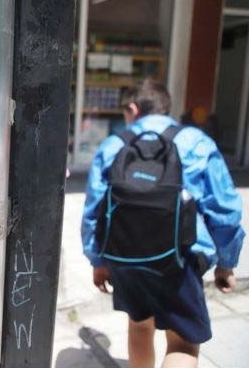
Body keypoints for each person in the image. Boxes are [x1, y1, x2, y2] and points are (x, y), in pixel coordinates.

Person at [81, 80, 245, 368]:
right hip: (180, 259)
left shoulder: (114, 144)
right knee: (183, 342)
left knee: (139, 327)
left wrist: (98, 261)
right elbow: (225, 209)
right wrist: (226, 262)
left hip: (125, 257)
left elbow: (93, 211)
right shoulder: (197, 141)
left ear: (133, 109)